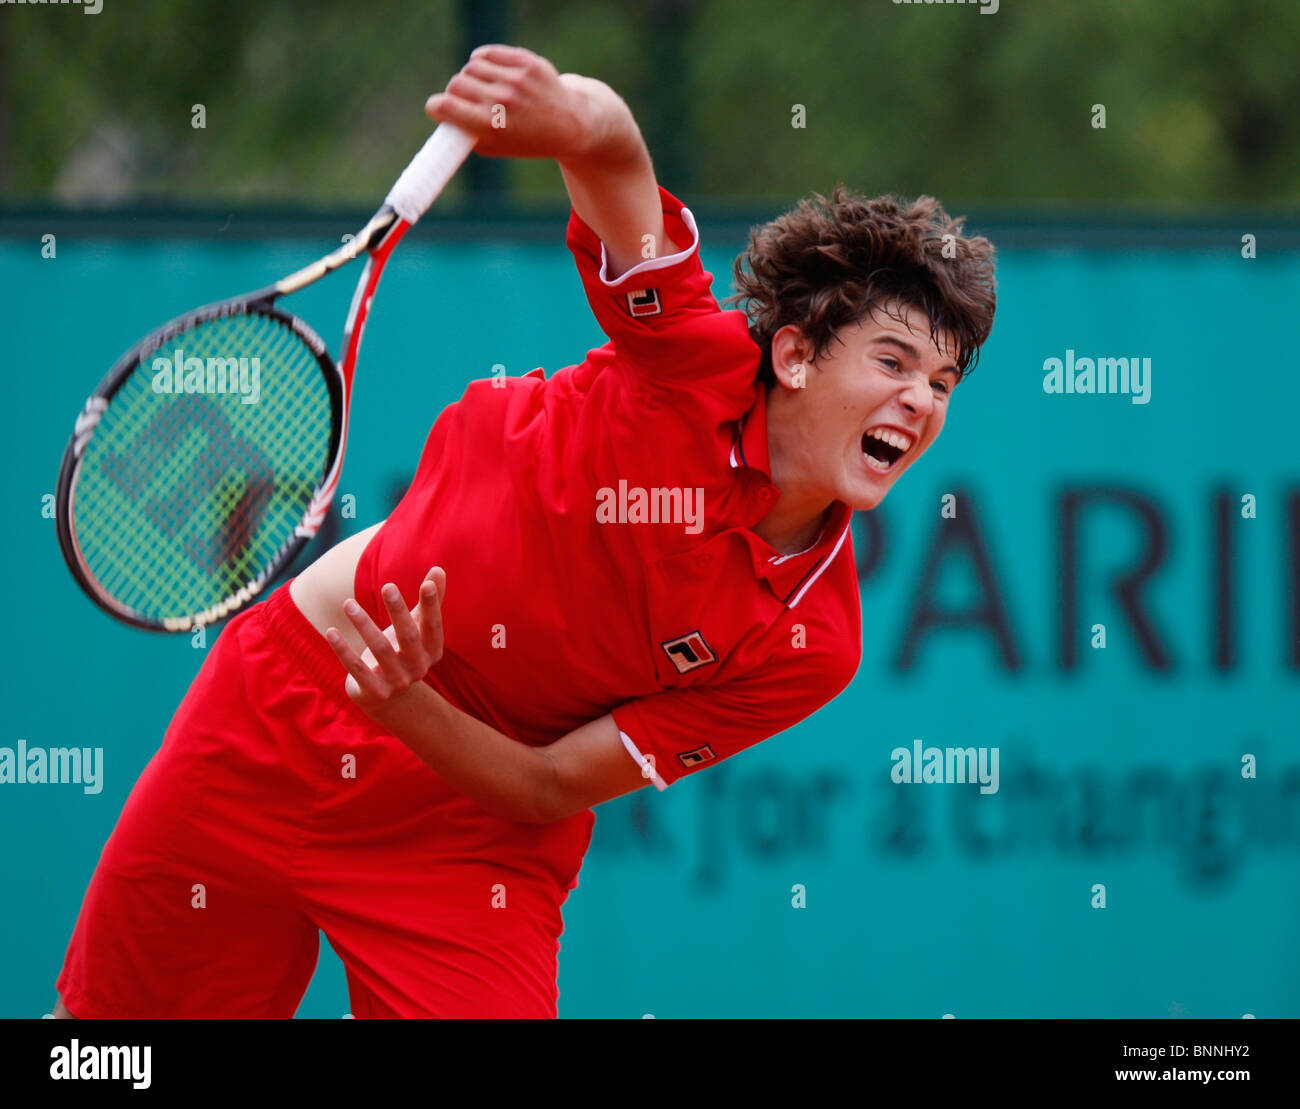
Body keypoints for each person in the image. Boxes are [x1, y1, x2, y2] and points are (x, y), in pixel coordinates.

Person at [54, 43, 996, 1019]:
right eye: (891, 361)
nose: (917, 401)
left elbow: (547, 785)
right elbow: (614, 158)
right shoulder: (691, 364)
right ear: (794, 356)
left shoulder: (813, 642)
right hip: (276, 719)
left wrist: (406, 701)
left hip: (470, 836)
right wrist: (570, 115)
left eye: (939, 383)